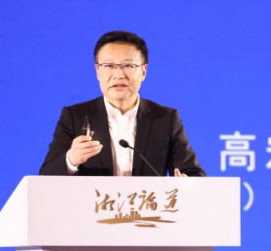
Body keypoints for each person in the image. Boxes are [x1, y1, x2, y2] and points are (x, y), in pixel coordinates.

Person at [39, 30, 206, 177]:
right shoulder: (74, 116)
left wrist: (185, 184)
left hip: (147, 204)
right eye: (109, 66)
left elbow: (194, 174)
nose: (119, 74)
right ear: (97, 71)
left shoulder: (166, 119)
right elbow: (45, 176)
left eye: (128, 65)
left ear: (143, 71)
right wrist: (71, 160)